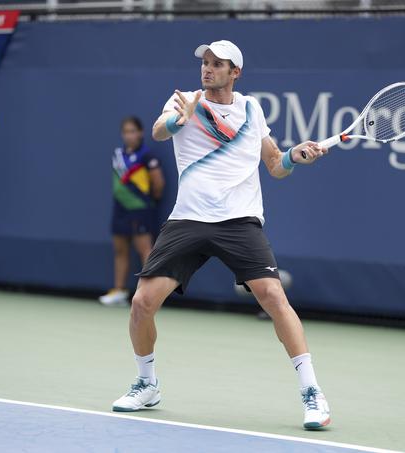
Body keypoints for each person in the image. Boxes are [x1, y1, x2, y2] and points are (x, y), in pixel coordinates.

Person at [111, 40, 331, 429]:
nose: (207, 68)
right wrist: (182, 118)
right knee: (142, 302)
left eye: (218, 64)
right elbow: (162, 132)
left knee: (274, 296)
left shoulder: (251, 109)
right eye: (205, 62)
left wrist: (296, 157)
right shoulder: (185, 100)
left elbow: (275, 165)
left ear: (236, 73)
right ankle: (147, 383)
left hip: (240, 220)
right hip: (189, 219)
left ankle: (312, 394)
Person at [99, 116, 165, 306]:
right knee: (120, 250)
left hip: (141, 209)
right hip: (120, 209)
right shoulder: (118, 155)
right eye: (126, 131)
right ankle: (119, 291)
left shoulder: (147, 155)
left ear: (141, 133)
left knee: (145, 251)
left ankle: (148, 295)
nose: (130, 135)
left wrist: (148, 201)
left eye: (133, 131)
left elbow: (158, 183)